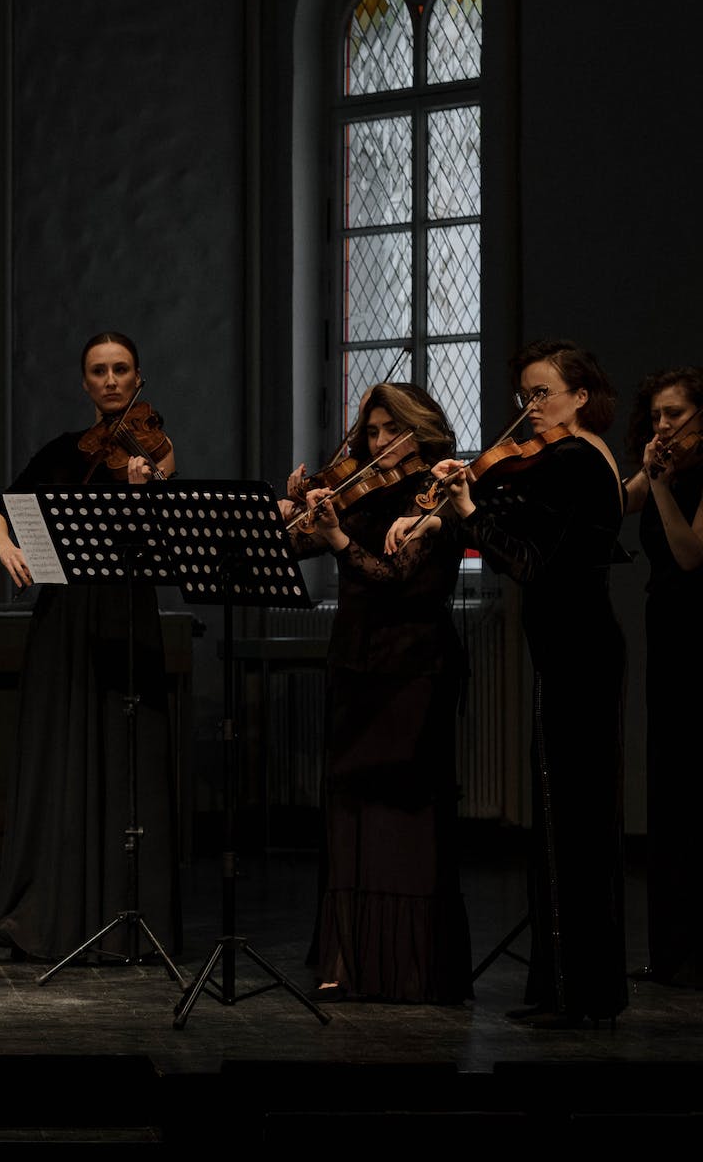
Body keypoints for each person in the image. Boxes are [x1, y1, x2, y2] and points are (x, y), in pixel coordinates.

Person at [390, 339, 627, 1026]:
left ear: (581, 397)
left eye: (544, 393)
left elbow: (521, 559)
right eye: (524, 395)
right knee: (569, 820)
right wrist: (436, 509)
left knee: (571, 823)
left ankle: (579, 993)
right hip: (574, 647)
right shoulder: (562, 461)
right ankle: (570, 986)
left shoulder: (576, 460)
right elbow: (507, 510)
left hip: (578, 651)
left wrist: (461, 509)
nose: (531, 408)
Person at [0, 331, 178, 963]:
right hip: (64, 616)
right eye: (100, 371)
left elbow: (163, 520)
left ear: (138, 378)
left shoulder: (153, 449)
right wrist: (6, 546)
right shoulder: (64, 453)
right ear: (85, 383)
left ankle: (123, 919)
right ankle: (52, 912)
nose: (112, 380)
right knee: (61, 755)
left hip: (124, 612)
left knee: (123, 760)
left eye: (122, 369)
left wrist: (145, 486)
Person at [281, 382, 471, 1003]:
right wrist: (295, 514)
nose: (381, 443)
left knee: (402, 817)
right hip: (357, 660)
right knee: (349, 811)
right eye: (373, 431)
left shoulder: (436, 494)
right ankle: (347, 955)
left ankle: (410, 966)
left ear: (422, 431)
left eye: (394, 431)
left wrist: (336, 538)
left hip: (413, 667)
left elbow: (392, 577)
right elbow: (296, 545)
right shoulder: (359, 489)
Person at [620, 366, 703, 988]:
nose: (663, 426)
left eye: (673, 414)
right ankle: (671, 951)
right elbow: (617, 502)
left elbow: (689, 553)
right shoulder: (660, 470)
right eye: (655, 417)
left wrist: (663, 484)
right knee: (671, 790)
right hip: (668, 635)